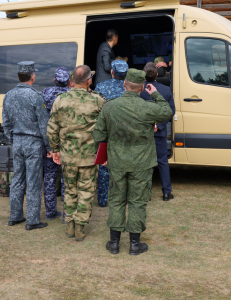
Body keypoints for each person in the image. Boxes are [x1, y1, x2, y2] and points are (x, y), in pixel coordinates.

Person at [93, 69, 173, 255]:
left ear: (124, 84)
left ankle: (114, 243)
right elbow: (167, 111)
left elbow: (99, 134)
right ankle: (134, 245)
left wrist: (103, 157)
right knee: (137, 202)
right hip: (141, 163)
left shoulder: (110, 106)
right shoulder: (147, 107)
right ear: (143, 87)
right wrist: (155, 93)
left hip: (117, 162)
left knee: (117, 200)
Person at [47, 65, 106, 241]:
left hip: (68, 156)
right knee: (86, 191)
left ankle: (71, 225)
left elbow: (51, 129)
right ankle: (80, 227)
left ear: (72, 81)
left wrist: (55, 150)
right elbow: (105, 130)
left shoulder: (60, 100)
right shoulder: (97, 101)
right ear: (89, 81)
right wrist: (104, 153)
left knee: (70, 190)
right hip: (89, 156)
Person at [2, 61, 52, 231]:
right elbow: (43, 125)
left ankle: (15, 216)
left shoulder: (8, 95)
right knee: (34, 181)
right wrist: (49, 147)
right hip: (33, 143)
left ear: (18, 76)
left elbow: (6, 123)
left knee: (17, 179)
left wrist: (12, 139)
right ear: (33, 76)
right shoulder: (36, 96)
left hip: (17, 141)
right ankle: (32, 219)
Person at [94, 59, 128, 207]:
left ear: (112, 72)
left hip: (106, 133)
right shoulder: (131, 89)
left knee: (103, 166)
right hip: (126, 133)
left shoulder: (101, 87)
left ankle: (102, 199)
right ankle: (122, 198)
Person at [140, 62, 175, 201]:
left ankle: (145, 194)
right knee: (162, 162)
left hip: (142, 132)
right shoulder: (166, 90)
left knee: (143, 163)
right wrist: (159, 125)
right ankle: (166, 193)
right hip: (158, 133)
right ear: (156, 75)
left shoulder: (139, 90)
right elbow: (171, 111)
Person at [41, 67, 70, 221]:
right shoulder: (72, 95)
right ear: (69, 81)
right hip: (67, 143)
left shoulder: (45, 93)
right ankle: (67, 214)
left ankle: (50, 211)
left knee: (50, 178)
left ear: (54, 80)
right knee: (67, 180)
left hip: (50, 143)